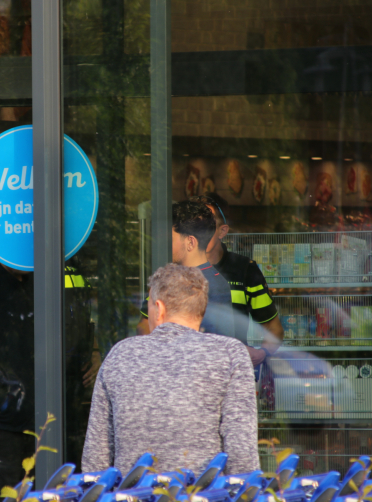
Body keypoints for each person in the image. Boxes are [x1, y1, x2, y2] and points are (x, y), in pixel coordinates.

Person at [82, 263, 259, 474]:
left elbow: (95, 460)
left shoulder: (120, 355)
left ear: (160, 308)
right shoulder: (230, 354)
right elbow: (242, 456)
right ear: (200, 310)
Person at [0, 259, 100, 494]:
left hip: (52, 426)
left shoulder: (43, 283)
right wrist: (4, 399)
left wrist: (93, 352)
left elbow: (75, 330)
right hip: (3, 434)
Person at [192, 193, 284, 367]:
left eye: (207, 225)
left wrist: (261, 353)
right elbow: (145, 325)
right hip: (186, 376)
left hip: (231, 373)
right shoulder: (175, 272)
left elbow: (274, 329)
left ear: (223, 231)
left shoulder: (244, 270)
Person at [137, 200, 235, 338]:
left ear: (190, 242)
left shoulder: (176, 282)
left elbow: (144, 327)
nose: (167, 243)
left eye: (171, 238)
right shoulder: (219, 282)